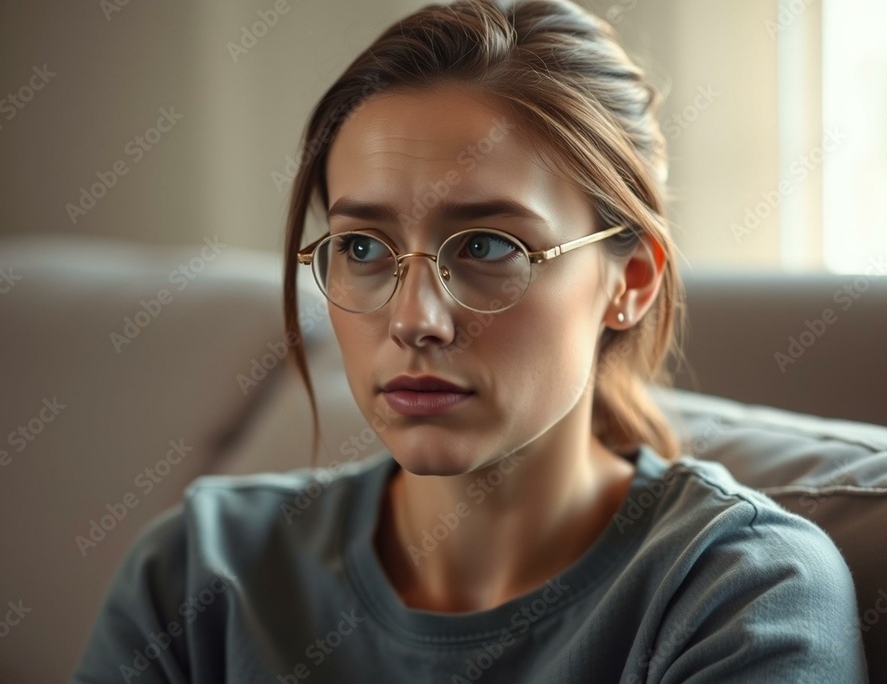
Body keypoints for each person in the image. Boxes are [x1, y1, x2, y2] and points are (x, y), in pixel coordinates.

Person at [73, 1, 868, 681]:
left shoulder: (740, 594)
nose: (415, 318)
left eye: (488, 247)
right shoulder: (196, 575)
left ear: (631, 282)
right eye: (361, 247)